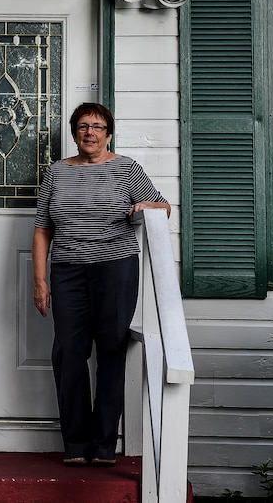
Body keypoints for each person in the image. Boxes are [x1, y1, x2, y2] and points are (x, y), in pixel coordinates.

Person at [32, 102, 170, 467]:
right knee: (69, 352)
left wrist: (147, 208)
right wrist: (40, 281)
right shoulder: (56, 173)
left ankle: (105, 444)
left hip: (116, 268)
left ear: (108, 133)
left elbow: (163, 206)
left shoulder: (126, 169)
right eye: (82, 126)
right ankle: (76, 444)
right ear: (75, 133)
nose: (89, 132)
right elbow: (43, 227)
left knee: (111, 350)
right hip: (68, 271)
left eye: (96, 126)